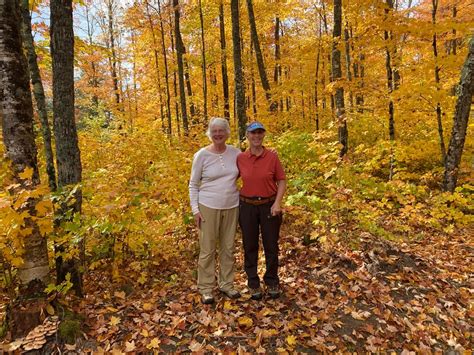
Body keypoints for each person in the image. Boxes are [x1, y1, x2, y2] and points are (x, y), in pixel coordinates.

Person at [189, 117, 241, 304]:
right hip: (208, 206)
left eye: (221, 130)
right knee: (208, 249)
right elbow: (193, 185)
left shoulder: (236, 153)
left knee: (228, 247)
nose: (218, 134)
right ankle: (206, 288)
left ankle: (227, 284)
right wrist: (195, 210)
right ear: (210, 134)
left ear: (227, 132)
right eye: (214, 131)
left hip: (232, 205)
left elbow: (250, 171)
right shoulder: (201, 155)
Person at [237, 121, 286, 300]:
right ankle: (253, 281)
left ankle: (272, 280)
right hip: (247, 206)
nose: (256, 136)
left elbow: (281, 180)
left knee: (271, 245)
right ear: (247, 136)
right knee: (249, 245)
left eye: (259, 133)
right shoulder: (241, 158)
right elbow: (228, 178)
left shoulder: (272, 157)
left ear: (263, 135)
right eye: (253, 133)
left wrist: (277, 203)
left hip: (269, 205)